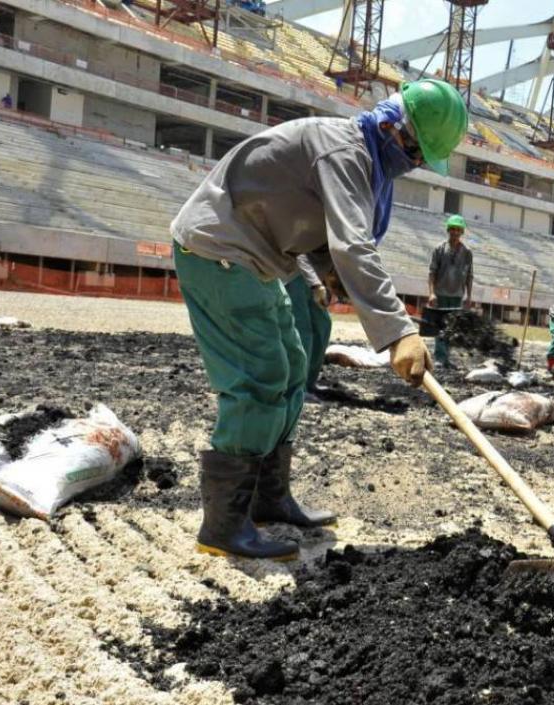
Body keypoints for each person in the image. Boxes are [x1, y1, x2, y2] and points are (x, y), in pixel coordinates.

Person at [170, 78, 467, 560]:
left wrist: (332, 277)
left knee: (291, 364)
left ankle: (269, 499)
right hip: (220, 250)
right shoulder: (345, 151)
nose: (413, 165)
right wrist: (399, 333)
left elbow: (324, 240)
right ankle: (223, 527)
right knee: (260, 377)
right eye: (414, 153)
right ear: (394, 129)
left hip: (259, 258)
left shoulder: (364, 157)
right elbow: (352, 243)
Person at [425, 213, 473, 369]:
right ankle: (439, 357)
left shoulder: (467, 253)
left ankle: (446, 359)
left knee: (451, 328)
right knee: (440, 328)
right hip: (440, 294)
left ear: (462, 232)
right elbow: (432, 272)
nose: (455, 232)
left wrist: (468, 296)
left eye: (458, 230)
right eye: (452, 229)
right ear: (448, 230)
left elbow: (470, 276)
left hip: (457, 296)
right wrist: (431, 293)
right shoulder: (439, 249)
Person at [290, 255, 333, 402]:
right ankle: (297, 388)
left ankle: (309, 382)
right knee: (302, 329)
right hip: (293, 271)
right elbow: (299, 250)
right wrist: (315, 284)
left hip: (314, 273)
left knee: (323, 324)